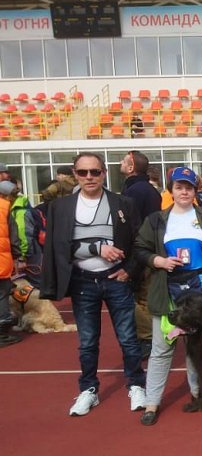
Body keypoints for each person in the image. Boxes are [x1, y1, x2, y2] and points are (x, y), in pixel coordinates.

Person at [40, 152, 146, 416]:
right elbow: (58, 247)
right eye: (83, 172)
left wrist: (129, 271)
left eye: (95, 172)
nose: (89, 177)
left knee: (128, 338)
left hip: (116, 279)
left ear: (104, 174)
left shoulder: (124, 203)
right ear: (75, 174)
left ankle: (136, 384)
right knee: (87, 341)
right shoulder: (60, 207)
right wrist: (96, 247)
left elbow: (140, 243)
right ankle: (88, 389)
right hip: (82, 281)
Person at [133, 166, 202, 426]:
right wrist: (159, 261)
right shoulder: (156, 220)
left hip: (201, 285)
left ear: (195, 191)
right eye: (179, 187)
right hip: (167, 288)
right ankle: (152, 403)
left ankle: (199, 393)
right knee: (161, 348)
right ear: (171, 190)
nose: (184, 192)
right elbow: (140, 248)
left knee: (199, 345)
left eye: (189, 187)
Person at [120, 150, 163, 359]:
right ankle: (147, 337)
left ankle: (147, 338)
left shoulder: (135, 191)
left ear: (131, 167)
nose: (119, 163)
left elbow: (131, 225)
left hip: (140, 251)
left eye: (123, 161)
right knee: (143, 297)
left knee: (137, 298)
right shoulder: (146, 189)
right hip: (147, 249)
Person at [0, 180, 22, 347]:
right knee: (2, 294)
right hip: (2, 260)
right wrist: (18, 256)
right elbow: (14, 237)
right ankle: (2, 332)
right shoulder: (5, 208)